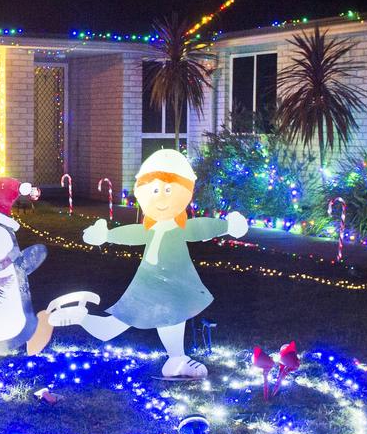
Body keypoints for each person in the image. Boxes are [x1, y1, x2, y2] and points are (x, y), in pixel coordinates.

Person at [58, 148, 247, 378]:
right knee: (114, 327)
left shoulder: (180, 228)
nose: (161, 198)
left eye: (168, 190)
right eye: (155, 190)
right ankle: (81, 316)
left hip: (173, 285)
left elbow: (200, 228)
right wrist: (106, 236)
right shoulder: (149, 229)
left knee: (172, 319)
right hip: (146, 286)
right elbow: (132, 234)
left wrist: (227, 227)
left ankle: (177, 359)